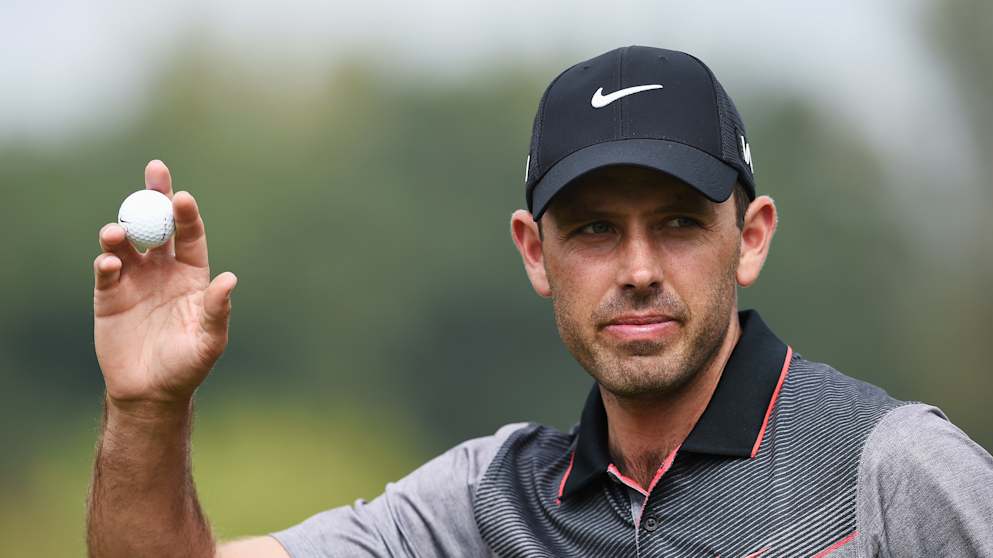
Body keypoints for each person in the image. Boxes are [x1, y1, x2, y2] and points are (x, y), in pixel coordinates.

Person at [87, 46, 993, 558]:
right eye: (594, 230)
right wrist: (146, 410)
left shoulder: (891, 470)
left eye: (677, 223)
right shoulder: (487, 508)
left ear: (749, 237)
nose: (637, 268)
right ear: (535, 252)